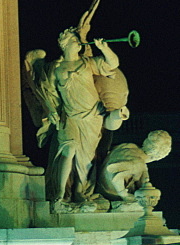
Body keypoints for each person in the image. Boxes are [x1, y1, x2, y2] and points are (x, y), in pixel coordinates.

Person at [44, 29, 125, 210]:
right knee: (69, 149)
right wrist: (50, 111)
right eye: (74, 40)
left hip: (92, 115)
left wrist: (104, 48)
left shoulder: (87, 63)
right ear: (64, 43)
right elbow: (49, 94)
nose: (78, 42)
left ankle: (80, 192)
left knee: (86, 159)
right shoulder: (55, 68)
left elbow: (113, 64)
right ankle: (58, 195)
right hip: (70, 117)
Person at [98, 130, 172, 205]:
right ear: (157, 156)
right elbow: (116, 178)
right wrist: (124, 195)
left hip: (99, 183)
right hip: (110, 192)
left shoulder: (129, 146)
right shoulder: (138, 163)